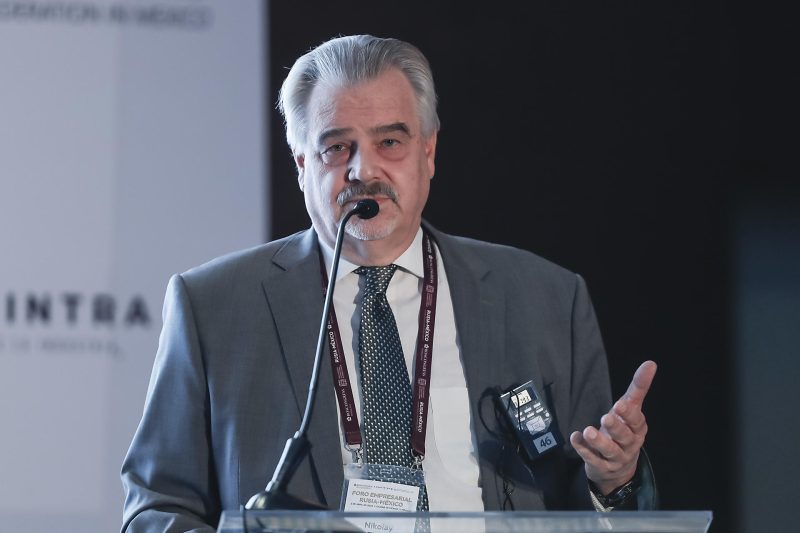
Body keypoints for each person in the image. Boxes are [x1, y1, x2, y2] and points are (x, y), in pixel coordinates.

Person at [120, 34, 658, 532]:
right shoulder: (213, 308)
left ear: (428, 152)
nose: (364, 170)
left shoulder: (546, 299)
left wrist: (612, 481)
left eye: (390, 141)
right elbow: (155, 510)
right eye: (337, 147)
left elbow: (597, 506)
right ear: (302, 164)